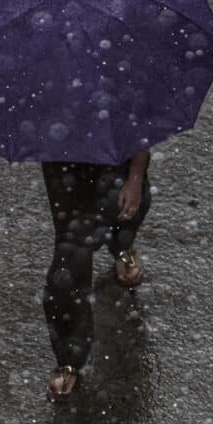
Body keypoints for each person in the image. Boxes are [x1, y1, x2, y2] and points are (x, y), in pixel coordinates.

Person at [40, 149, 152, 402]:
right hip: (63, 159)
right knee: (70, 253)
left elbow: (141, 130)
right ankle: (69, 357)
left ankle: (122, 244)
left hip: (113, 155)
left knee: (129, 203)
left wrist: (135, 178)